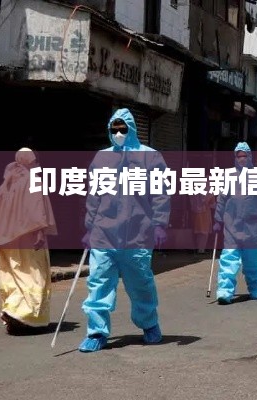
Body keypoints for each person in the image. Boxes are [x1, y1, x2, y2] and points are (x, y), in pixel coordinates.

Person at [79, 108, 171, 352]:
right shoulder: (101, 158)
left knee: (141, 283)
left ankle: (149, 324)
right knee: (98, 282)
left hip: (137, 233)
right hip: (104, 233)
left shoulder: (150, 157)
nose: (118, 133)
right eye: (114, 129)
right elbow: (94, 196)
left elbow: (161, 194)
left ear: (131, 129)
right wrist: (89, 228)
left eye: (123, 129)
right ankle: (96, 332)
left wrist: (160, 224)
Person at [0, 148, 57, 335]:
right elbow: (36, 208)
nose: (37, 164)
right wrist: (39, 232)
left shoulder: (8, 181)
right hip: (28, 238)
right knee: (33, 275)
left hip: (7, 240)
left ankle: (12, 310)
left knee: (13, 275)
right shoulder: (32, 179)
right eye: (35, 161)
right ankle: (29, 317)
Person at [212, 142, 257, 304]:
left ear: (250, 156)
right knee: (228, 259)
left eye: (244, 156)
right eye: (239, 156)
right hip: (232, 226)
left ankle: (256, 289)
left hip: (253, 227)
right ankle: (225, 292)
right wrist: (218, 219)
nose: (241, 159)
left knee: (252, 261)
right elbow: (221, 199)